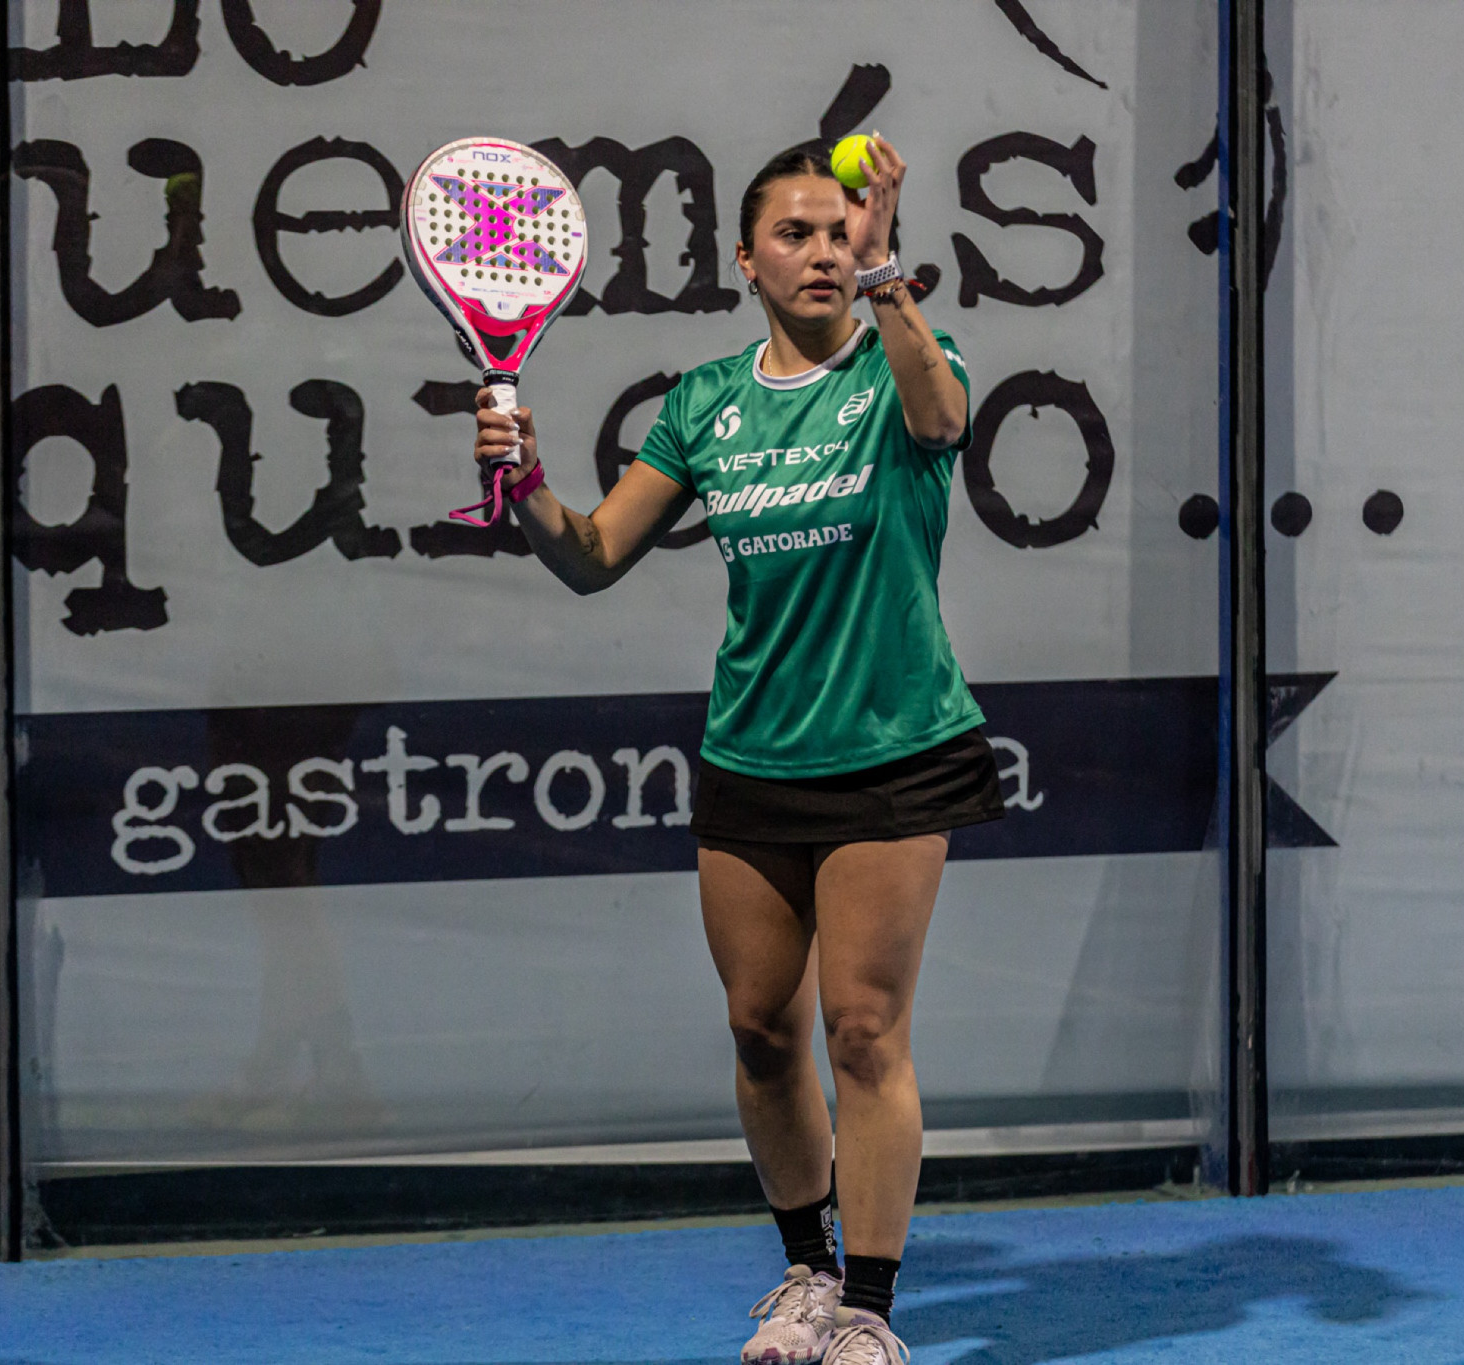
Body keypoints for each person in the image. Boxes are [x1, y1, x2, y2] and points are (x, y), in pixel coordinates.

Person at [474, 134, 1001, 1365]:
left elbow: (942, 421)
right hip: (750, 757)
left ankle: (868, 1311)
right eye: (793, 235)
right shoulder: (704, 402)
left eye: (838, 231)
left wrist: (887, 274)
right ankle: (806, 1276)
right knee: (761, 1031)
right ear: (743, 260)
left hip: (891, 752)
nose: (821, 251)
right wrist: (527, 485)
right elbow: (593, 556)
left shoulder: (904, 359)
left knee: (861, 1031)